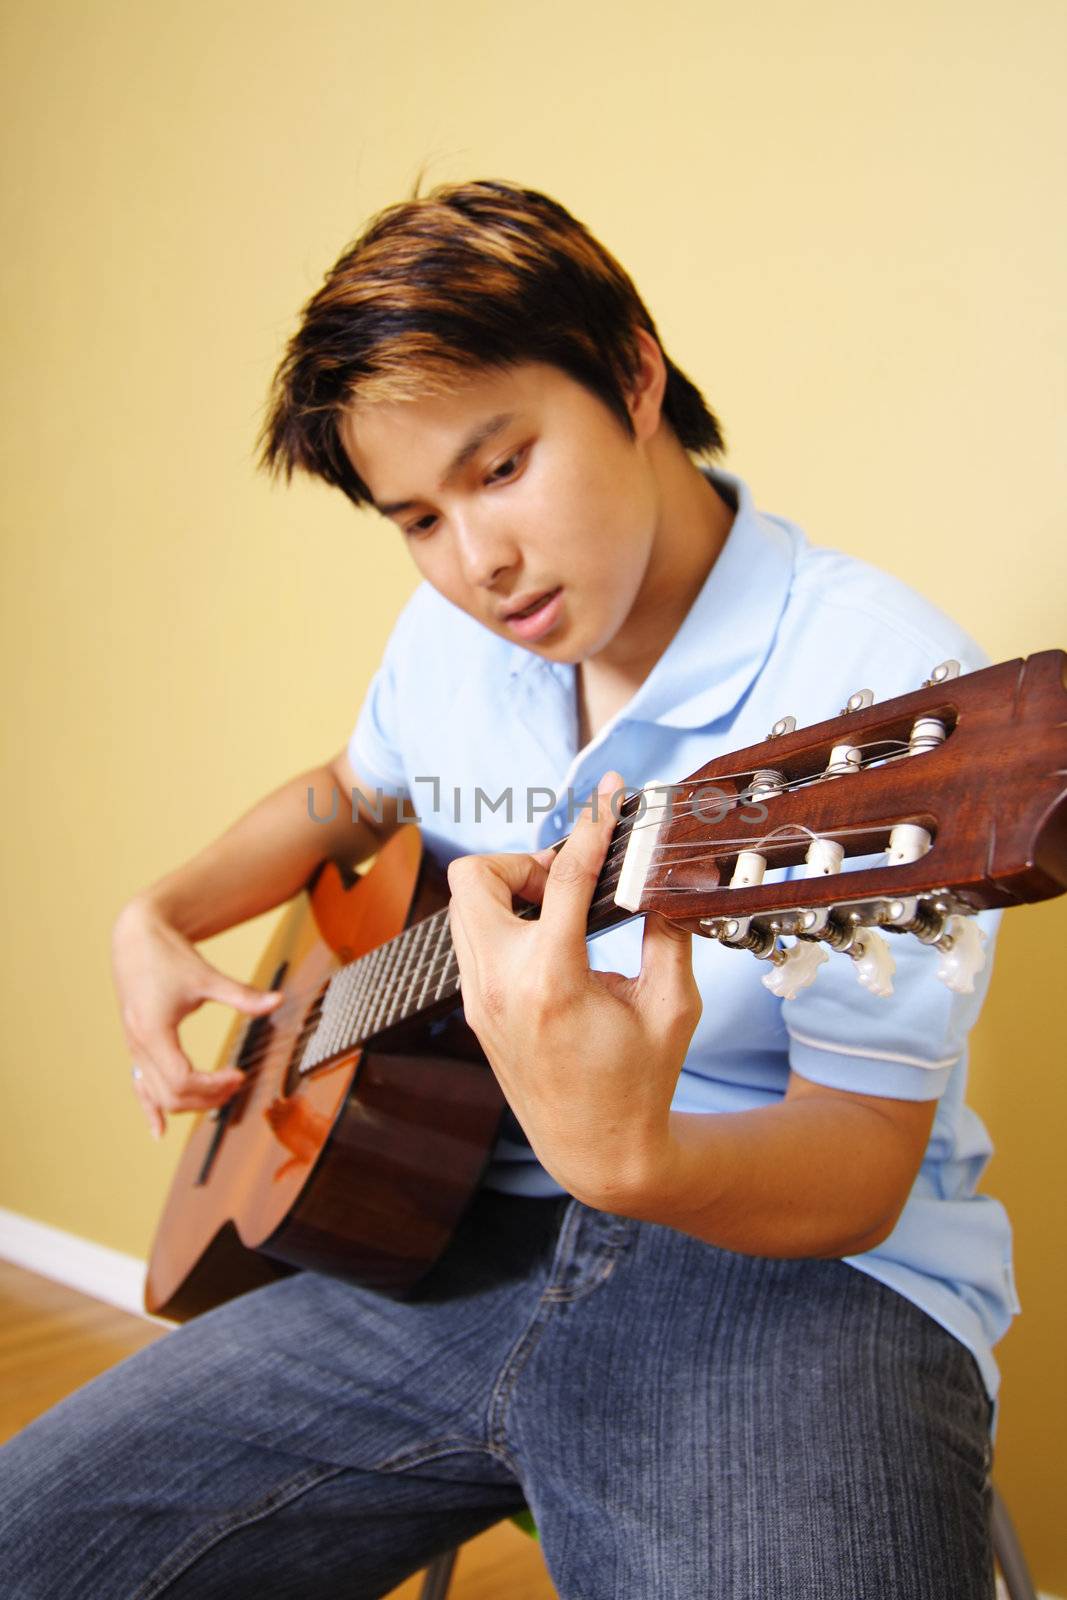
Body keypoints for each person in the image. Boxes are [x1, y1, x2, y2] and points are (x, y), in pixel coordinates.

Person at [0, 179, 1016, 1599]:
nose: (476, 563)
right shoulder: (449, 640)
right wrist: (159, 913)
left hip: (805, 1282)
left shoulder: (878, 693)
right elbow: (345, 797)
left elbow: (859, 1165)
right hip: (450, 1230)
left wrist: (634, 1159)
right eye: (416, 517)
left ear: (635, 375)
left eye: (501, 468)